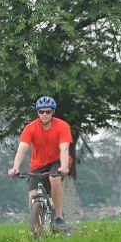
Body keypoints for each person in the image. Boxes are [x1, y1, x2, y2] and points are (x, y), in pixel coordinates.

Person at [7, 96, 73, 229]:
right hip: (38, 164)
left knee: (54, 179)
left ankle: (59, 217)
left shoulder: (62, 126)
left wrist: (64, 166)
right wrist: (15, 167)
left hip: (58, 161)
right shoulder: (30, 128)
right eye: (41, 112)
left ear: (53, 112)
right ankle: (37, 229)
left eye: (48, 111)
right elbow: (22, 148)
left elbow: (64, 148)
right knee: (32, 196)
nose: (44, 114)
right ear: (37, 112)